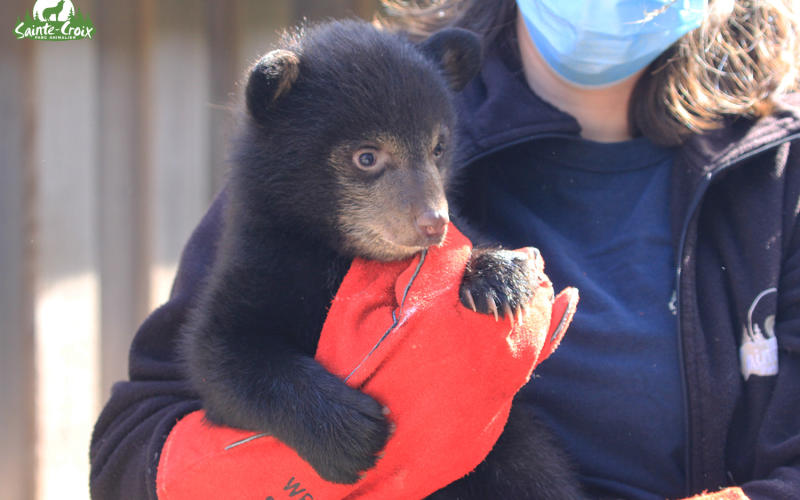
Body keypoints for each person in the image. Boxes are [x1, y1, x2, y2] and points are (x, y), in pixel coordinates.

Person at [90, 0, 800, 498]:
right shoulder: (332, 131)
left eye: (434, 156)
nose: (429, 210)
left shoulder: (776, 176)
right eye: (373, 162)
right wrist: (297, 463)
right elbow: (132, 448)